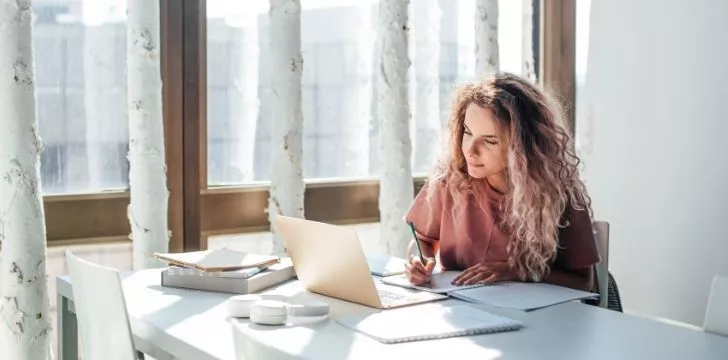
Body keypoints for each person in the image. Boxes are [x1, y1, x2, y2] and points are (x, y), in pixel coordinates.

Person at [404, 72, 599, 292]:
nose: (470, 150)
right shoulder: (450, 180)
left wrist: (515, 271)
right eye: (467, 132)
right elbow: (422, 240)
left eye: (490, 141)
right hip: (462, 312)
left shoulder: (558, 195)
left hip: (538, 318)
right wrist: (419, 261)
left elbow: (585, 283)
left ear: (523, 147)